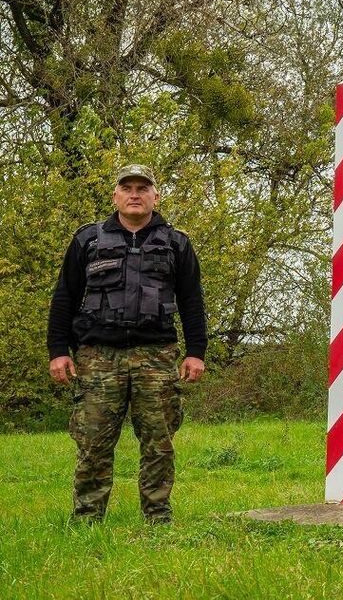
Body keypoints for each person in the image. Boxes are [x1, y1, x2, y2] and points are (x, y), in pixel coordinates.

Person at [47, 164, 207, 524]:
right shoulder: (88, 239)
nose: (135, 194)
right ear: (115, 195)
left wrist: (196, 352)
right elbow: (65, 297)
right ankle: (87, 519)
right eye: (127, 187)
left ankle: (158, 517)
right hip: (98, 358)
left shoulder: (177, 243)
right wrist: (58, 351)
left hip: (156, 358)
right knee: (93, 443)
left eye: (142, 187)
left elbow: (192, 301)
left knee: (159, 443)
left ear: (155, 195)